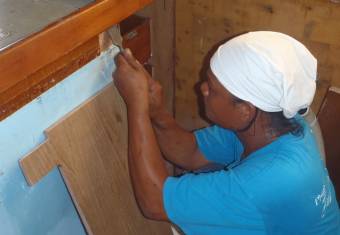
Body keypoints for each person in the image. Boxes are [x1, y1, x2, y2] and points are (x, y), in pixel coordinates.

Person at [113, 31, 340, 235]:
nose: (202, 88)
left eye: (212, 87)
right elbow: (189, 152)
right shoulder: (271, 123)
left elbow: (154, 203)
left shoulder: (263, 181)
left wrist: (137, 106)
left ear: (245, 109)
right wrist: (156, 112)